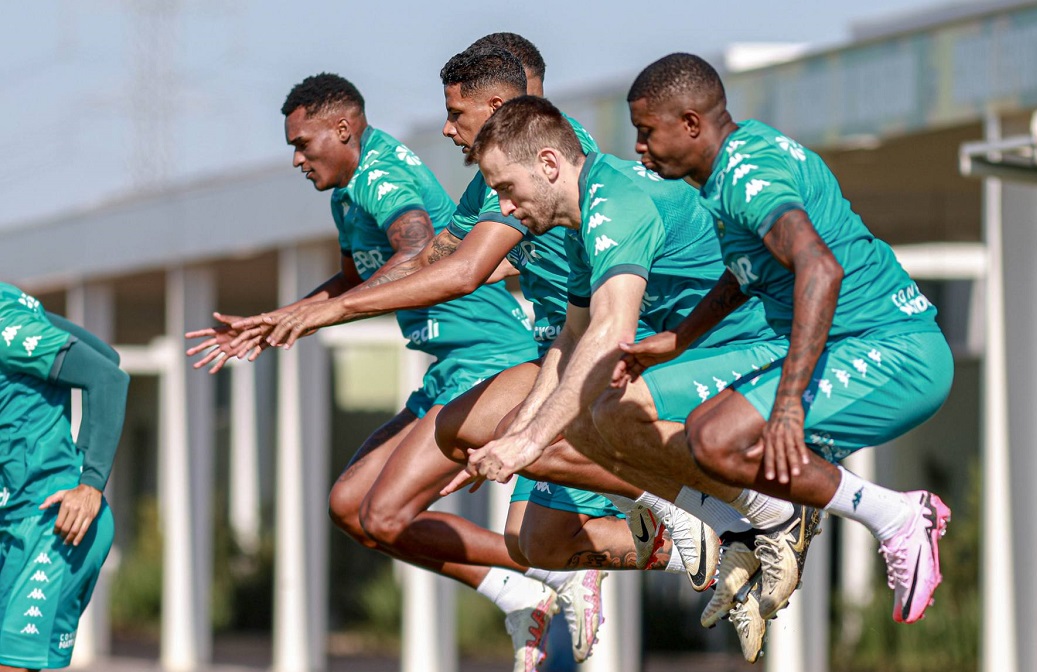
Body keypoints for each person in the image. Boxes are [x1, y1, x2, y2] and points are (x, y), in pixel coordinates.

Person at [237, 41, 718, 595]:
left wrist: (335, 311)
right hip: (561, 347)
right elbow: (437, 257)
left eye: (454, 113)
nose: (445, 128)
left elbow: (463, 271)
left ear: (495, 110)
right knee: (533, 542)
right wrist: (299, 313)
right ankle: (697, 541)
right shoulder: (486, 185)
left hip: (610, 351)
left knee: (463, 455)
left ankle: (693, 505)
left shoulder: (536, 167)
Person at [184, 71, 599, 672]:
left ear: (344, 129)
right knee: (350, 508)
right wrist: (284, 317)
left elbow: (417, 248)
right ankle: (517, 591)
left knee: (385, 514)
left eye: (303, 143)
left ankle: (557, 570)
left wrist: (319, 315)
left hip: (489, 361)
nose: (297, 158)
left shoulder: (383, 177)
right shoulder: (346, 195)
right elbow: (354, 279)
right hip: (446, 369)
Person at [459, 95, 830, 661]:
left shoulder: (613, 203)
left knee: (592, 414)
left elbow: (608, 333)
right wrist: (521, 437)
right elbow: (574, 337)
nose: (504, 208)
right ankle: (727, 523)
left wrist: (528, 440)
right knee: (538, 495)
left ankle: (767, 513)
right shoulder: (582, 217)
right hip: (697, 354)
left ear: (551, 164)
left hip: (760, 350)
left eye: (507, 189)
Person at [621, 53, 953, 625]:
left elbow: (819, 269)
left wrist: (790, 404)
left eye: (647, 132)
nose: (639, 148)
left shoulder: (748, 175)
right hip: (854, 344)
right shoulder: (731, 171)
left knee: (722, 441)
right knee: (705, 434)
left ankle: (897, 517)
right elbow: (746, 273)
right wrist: (680, 338)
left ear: (692, 123)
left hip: (897, 352)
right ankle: (773, 519)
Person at [0, 282, 129, 672]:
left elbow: (107, 376)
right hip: (14, 526)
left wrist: (90, 482)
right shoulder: (17, 313)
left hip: (56, 521)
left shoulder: (4, 323)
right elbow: (106, 351)